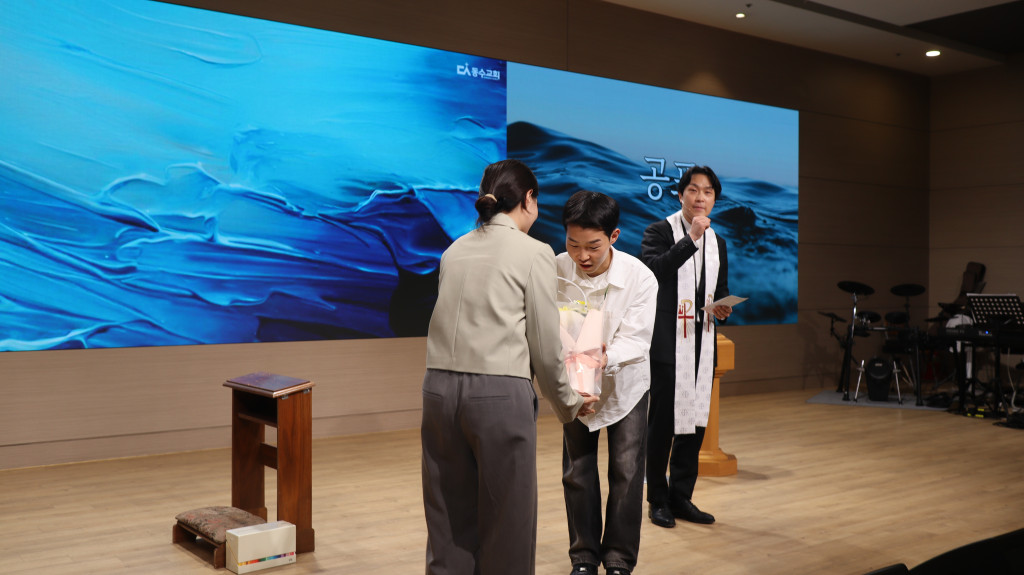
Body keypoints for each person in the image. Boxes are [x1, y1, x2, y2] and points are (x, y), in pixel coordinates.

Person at [421, 159, 599, 575]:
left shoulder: (453, 250)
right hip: (498, 397)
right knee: (508, 523)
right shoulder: (534, 252)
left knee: (447, 522)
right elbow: (545, 346)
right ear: (529, 198)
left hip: (437, 392)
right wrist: (569, 402)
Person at [556, 191, 658, 575]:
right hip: (573, 385)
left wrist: (603, 358)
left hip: (625, 387)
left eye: (593, 246)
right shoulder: (554, 269)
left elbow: (637, 340)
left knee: (627, 472)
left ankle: (618, 560)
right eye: (573, 244)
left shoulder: (639, 277)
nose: (581, 256)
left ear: (614, 236)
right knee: (577, 471)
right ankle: (583, 557)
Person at [641, 165, 732, 529]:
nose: (700, 198)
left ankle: (681, 496)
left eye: (708, 192)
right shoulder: (659, 231)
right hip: (667, 342)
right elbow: (653, 272)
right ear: (680, 195)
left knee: (694, 424)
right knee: (662, 423)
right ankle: (657, 498)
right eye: (693, 190)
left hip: (702, 342)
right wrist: (691, 239)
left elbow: (720, 288)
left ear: (714, 200)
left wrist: (722, 306)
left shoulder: (719, 243)